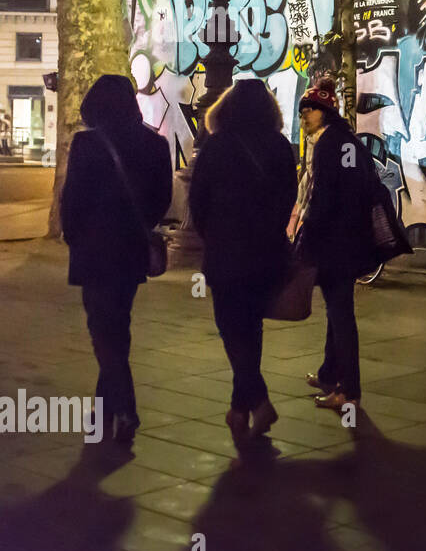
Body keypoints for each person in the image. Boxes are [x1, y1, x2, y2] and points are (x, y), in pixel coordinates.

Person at [60, 74, 171, 444]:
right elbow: (161, 200)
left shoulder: (86, 144)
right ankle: (104, 410)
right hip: (131, 250)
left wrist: (74, 237)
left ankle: (125, 409)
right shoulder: (155, 145)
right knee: (116, 328)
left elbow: (71, 200)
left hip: (94, 251)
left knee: (102, 332)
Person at [188, 79, 297, 445]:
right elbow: (288, 199)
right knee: (250, 328)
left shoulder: (216, 147)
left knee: (231, 328)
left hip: (226, 253)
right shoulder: (281, 147)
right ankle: (239, 408)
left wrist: (214, 234)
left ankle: (260, 401)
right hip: (267, 252)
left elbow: (198, 203)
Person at [294, 76, 378, 411]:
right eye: (303, 110)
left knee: (341, 315)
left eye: (311, 110)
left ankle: (349, 391)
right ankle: (330, 374)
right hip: (346, 241)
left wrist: (308, 232)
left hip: (335, 244)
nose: (305, 116)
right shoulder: (346, 141)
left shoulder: (331, 144)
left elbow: (325, 197)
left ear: (326, 112)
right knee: (336, 311)